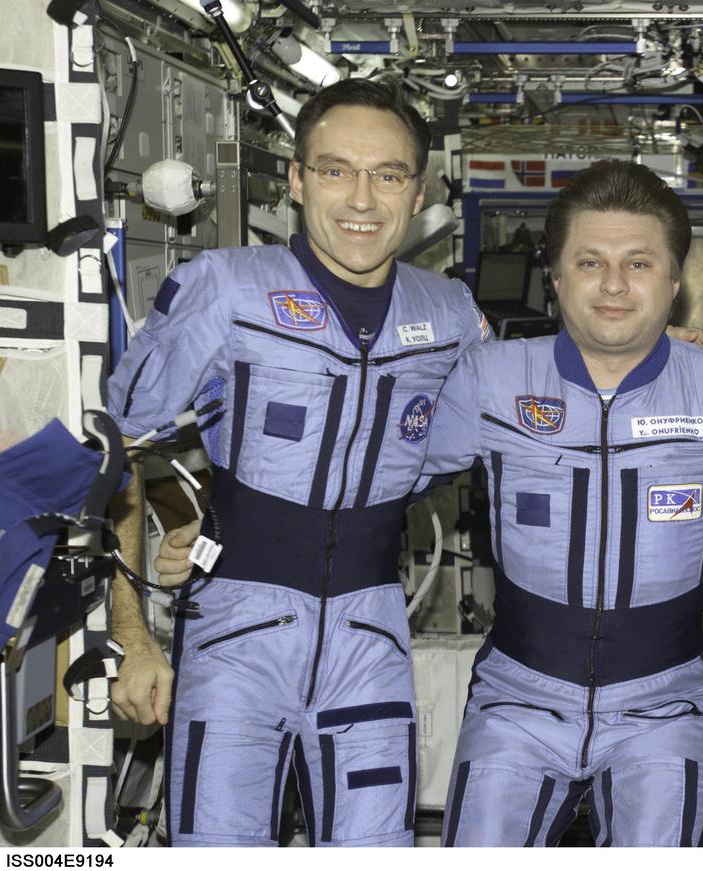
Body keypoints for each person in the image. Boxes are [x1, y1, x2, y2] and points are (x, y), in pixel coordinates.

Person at [105, 78, 492, 846]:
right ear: (294, 179)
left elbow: (537, 400)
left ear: (417, 193)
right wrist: (135, 635)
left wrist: (660, 348)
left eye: (387, 174)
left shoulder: (448, 313)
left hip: (370, 640)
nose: (361, 198)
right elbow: (118, 445)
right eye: (334, 169)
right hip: (233, 641)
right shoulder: (225, 289)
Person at [418, 160, 703, 846]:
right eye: (590, 261)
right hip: (516, 700)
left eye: (640, 263)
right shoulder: (489, 379)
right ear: (557, 277)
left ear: (675, 283)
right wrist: (213, 529)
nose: (615, 285)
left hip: (666, 705)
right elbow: (371, 481)